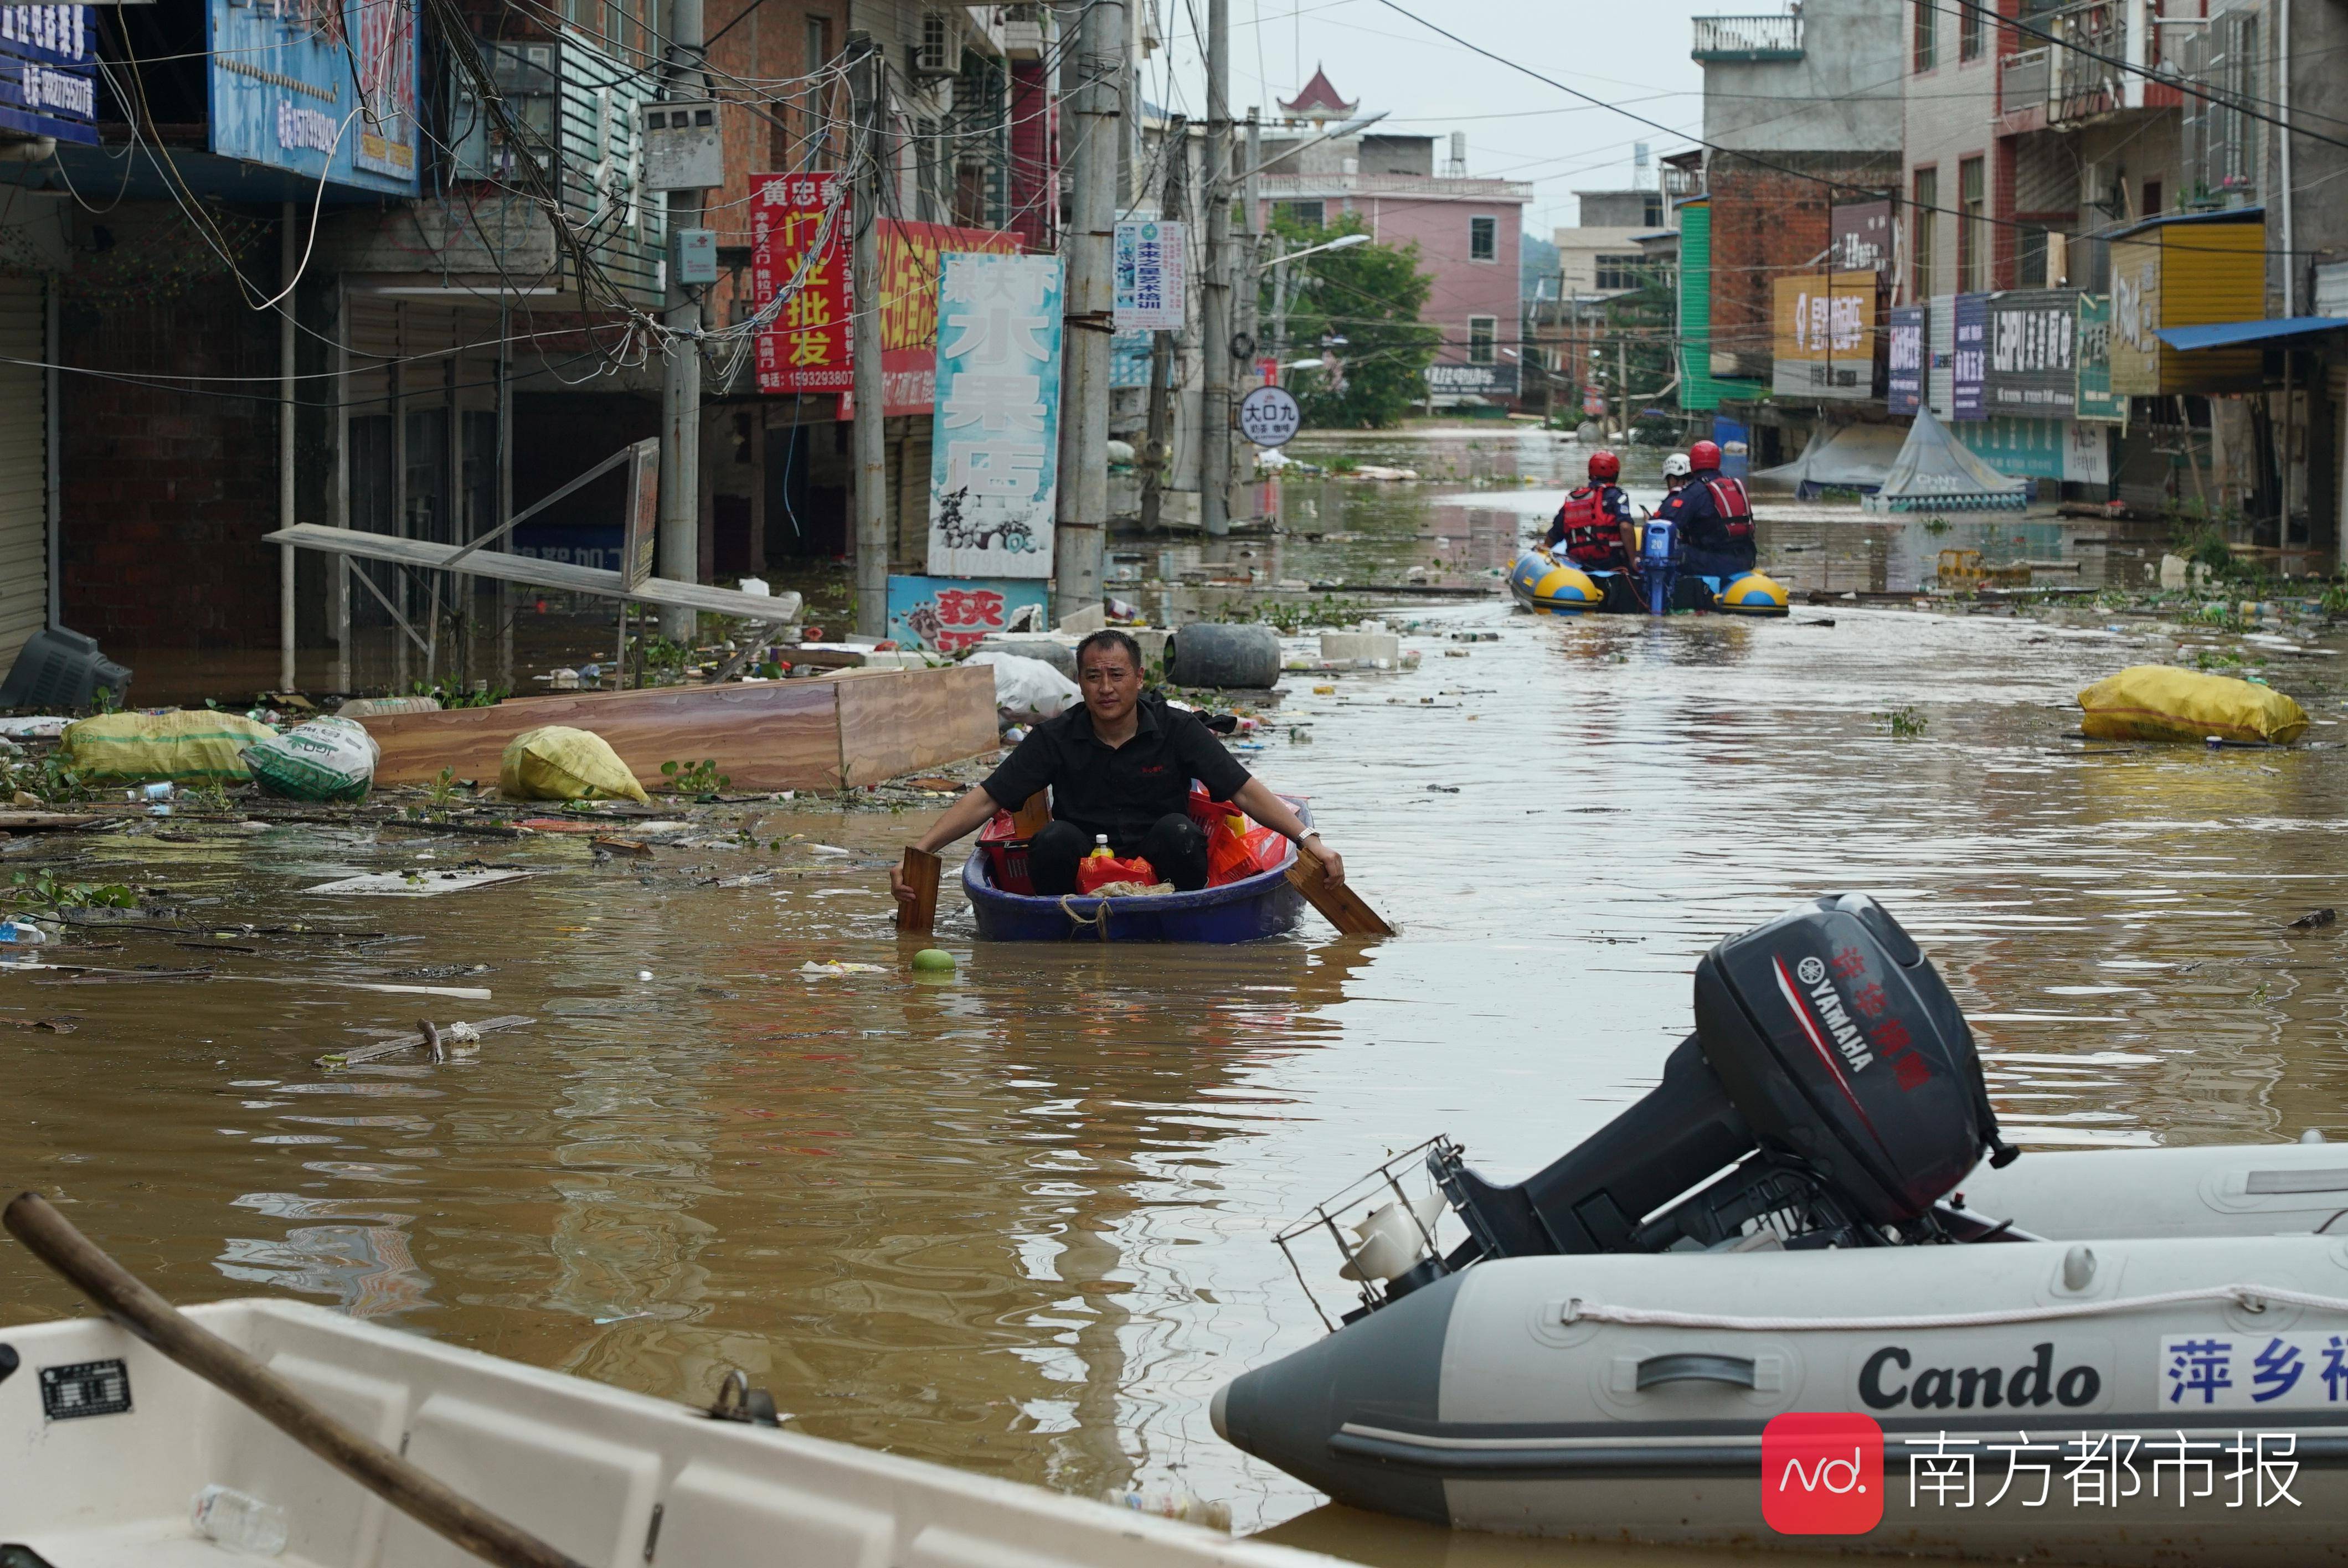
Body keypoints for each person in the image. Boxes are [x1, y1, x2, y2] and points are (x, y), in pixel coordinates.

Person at [888, 629, 1343, 902]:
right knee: (1050, 840)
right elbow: (987, 798)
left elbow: (1244, 791)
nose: (1106, 689)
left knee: (1181, 833)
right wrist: (920, 853)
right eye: (1093, 677)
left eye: (1117, 676)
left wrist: (1309, 841)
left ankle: (1183, 919)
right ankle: (1057, 936)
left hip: (1163, 855)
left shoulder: (1177, 729)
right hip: (1082, 858)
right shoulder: (1056, 736)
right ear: (1080, 682)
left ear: (1140, 679)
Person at [1654, 439, 1755, 583]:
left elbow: (1665, 523)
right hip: (1746, 559)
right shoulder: (1734, 485)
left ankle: (1661, 596)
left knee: (1669, 552)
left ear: (1693, 464)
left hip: (1717, 562)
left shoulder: (1695, 491)